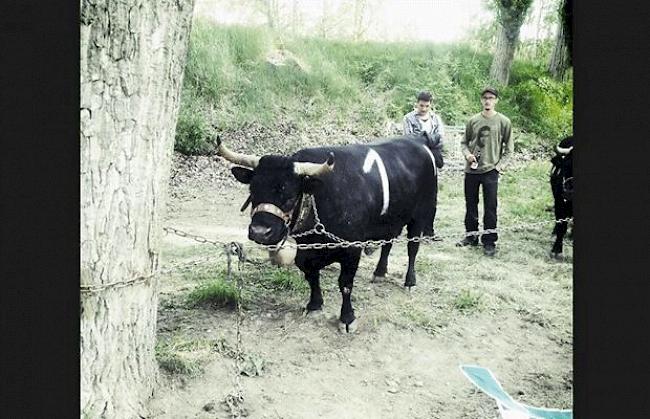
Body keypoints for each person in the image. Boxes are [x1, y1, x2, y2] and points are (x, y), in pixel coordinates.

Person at [456, 87, 513, 256]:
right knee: (471, 205)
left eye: (491, 98)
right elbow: (464, 143)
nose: (487, 101)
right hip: (471, 171)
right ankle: (471, 236)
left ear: (496, 100)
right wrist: (468, 156)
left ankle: (489, 241)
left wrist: (499, 166)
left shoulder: (504, 122)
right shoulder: (473, 120)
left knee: (490, 207)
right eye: (485, 98)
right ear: (481, 100)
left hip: (491, 171)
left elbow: (509, 149)